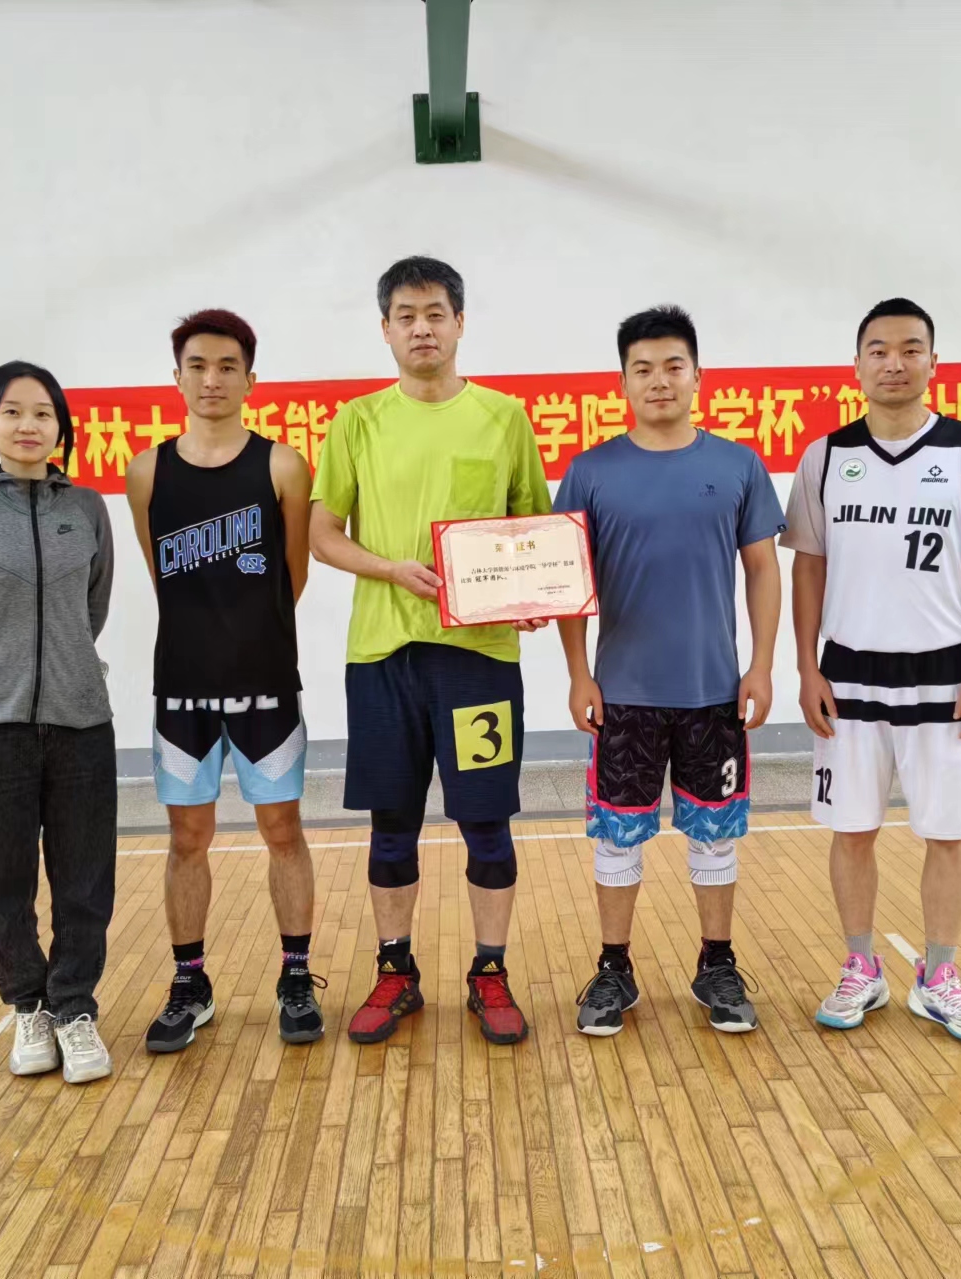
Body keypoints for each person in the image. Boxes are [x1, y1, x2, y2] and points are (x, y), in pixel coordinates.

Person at [310, 256, 551, 1046]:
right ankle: (395, 971)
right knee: (391, 825)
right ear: (385, 329)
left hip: (480, 660)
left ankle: (490, 971)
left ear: (460, 322)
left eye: (435, 313)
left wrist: (531, 595)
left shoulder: (504, 418)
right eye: (406, 316)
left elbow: (533, 531)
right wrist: (390, 569)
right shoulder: (357, 421)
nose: (422, 328)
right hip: (383, 657)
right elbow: (322, 534)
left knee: (487, 823)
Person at [783, 298, 961, 1044]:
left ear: (933, 362)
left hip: (946, 677)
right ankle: (861, 966)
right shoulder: (825, 457)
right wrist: (806, 667)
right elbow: (808, 568)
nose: (894, 362)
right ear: (856, 364)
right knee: (852, 829)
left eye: (910, 349)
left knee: (948, 833)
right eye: (879, 350)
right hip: (848, 677)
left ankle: (939, 976)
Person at [556, 306, 785, 1036]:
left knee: (715, 836)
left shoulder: (738, 465)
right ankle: (613, 967)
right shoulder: (590, 471)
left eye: (673, 366)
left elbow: (763, 570)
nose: (659, 380)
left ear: (697, 375)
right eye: (643, 369)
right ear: (623, 381)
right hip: (622, 694)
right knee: (617, 837)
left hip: (714, 693)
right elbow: (568, 583)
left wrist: (762, 666)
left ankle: (717, 962)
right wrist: (578, 673)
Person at [125, 310, 322, 1049]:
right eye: (198, 365)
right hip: (181, 688)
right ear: (176, 377)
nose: (212, 379)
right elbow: (162, 575)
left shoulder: (283, 465)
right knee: (187, 838)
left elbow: (292, 577)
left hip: (267, 684)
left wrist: (247, 636)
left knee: (283, 830)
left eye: (228, 366)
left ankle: (295, 975)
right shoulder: (146, 472)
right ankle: (190, 981)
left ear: (250, 379)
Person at [0, 361, 118, 1084]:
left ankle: (75, 1009)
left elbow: (93, 607)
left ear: (61, 427)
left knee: (85, 883)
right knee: (6, 883)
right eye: (12, 412)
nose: (28, 425)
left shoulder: (88, 508)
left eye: (43, 413)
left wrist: (65, 666)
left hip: (80, 723)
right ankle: (29, 1006)